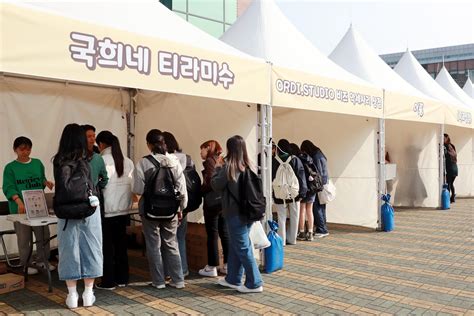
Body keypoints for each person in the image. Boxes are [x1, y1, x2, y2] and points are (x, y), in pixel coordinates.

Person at [53, 124, 103, 309]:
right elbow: (96, 183)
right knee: (91, 248)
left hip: (65, 212)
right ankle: (89, 293)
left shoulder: (58, 160)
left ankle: (72, 296)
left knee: (69, 251)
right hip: (89, 209)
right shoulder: (89, 158)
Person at [132, 129, 188, 289]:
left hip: (149, 210)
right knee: (171, 243)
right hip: (171, 210)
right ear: (164, 143)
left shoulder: (143, 163)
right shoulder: (174, 161)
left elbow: (138, 188)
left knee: (153, 245)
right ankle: (178, 280)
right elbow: (181, 188)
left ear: (149, 144)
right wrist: (181, 208)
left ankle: (158, 281)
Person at [212, 135, 263, 293]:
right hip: (249, 211)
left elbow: (215, 184)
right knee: (237, 246)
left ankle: (255, 282)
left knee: (242, 247)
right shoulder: (249, 165)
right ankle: (233, 278)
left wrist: (218, 167)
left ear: (230, 149)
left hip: (234, 213)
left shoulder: (229, 167)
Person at [2, 136, 55, 275]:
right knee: (24, 238)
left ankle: (42, 260)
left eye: (28, 149)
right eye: (22, 149)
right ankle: (26, 263)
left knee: (43, 234)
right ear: (15, 150)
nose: (25, 152)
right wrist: (18, 201)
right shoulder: (10, 168)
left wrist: (45, 183)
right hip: (20, 209)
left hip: (38, 206)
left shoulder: (37, 163)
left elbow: (40, 178)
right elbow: (8, 187)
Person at [95, 131, 135, 290]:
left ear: (102, 144)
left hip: (107, 210)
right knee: (121, 246)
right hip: (124, 210)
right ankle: (123, 278)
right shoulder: (128, 161)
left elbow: (97, 184)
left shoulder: (100, 160)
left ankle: (108, 281)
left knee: (107, 247)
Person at [162, 131, 194, 278]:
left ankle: (169, 272)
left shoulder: (165, 160)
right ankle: (183, 269)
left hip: (169, 204)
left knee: (168, 240)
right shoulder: (187, 158)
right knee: (180, 237)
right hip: (184, 203)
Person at [199, 140, 229, 277]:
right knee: (224, 233)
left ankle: (212, 266)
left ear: (208, 148)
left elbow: (212, 182)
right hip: (223, 202)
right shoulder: (220, 159)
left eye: (202, 149)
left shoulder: (210, 161)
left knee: (212, 234)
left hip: (212, 203)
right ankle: (227, 265)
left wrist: (201, 189)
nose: (201, 152)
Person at [272, 139, 307, 245]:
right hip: (294, 194)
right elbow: (301, 177)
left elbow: (272, 177)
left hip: (279, 194)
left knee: (281, 217)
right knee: (294, 216)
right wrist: (302, 192)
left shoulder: (274, 160)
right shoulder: (295, 160)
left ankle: (281, 240)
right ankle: (292, 239)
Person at [301, 140, 329, 238]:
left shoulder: (316, 157)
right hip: (324, 183)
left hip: (319, 185)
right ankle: (323, 228)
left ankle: (322, 229)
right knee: (322, 207)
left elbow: (317, 172)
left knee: (317, 207)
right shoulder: (320, 154)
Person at [81, 124, 109, 204]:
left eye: (94, 136)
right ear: (81, 138)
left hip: (92, 197)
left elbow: (104, 178)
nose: (92, 139)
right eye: (89, 136)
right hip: (84, 196)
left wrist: (96, 187)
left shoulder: (98, 154)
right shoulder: (77, 156)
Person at [296, 146, 316, 242]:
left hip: (303, 188)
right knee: (310, 210)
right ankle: (311, 233)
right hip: (312, 188)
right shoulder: (310, 159)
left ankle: (302, 232)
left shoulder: (298, 160)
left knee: (302, 210)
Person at [444, 133, 458, 203]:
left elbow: (445, 155)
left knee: (448, 183)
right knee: (451, 183)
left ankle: (447, 199)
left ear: (446, 138)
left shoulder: (445, 146)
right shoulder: (452, 145)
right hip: (455, 167)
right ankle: (452, 197)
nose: (442, 139)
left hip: (450, 167)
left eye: (444, 138)